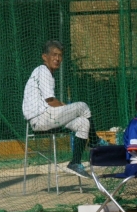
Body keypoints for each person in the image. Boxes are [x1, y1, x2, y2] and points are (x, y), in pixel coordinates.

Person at [22, 40, 108, 179]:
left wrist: (67, 109)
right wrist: (68, 108)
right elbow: (50, 101)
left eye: (60, 55)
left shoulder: (46, 73)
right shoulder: (42, 70)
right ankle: (94, 141)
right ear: (45, 57)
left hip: (47, 118)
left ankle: (75, 163)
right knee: (83, 106)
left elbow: (52, 102)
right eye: (54, 55)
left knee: (83, 123)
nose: (57, 58)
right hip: (41, 117)